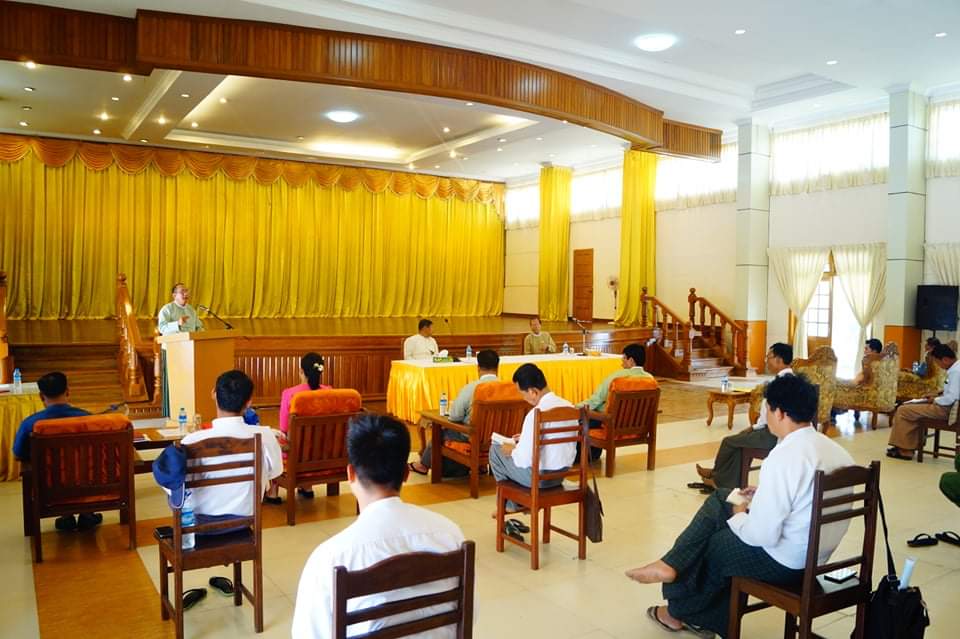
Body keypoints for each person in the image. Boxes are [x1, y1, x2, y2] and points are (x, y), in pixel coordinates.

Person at [625, 374, 855, 637]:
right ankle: (671, 566)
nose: (765, 415)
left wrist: (739, 514)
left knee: (717, 544)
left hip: (787, 562)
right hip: (818, 557)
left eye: (767, 408)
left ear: (780, 412)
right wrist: (762, 495)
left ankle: (677, 612)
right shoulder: (837, 452)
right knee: (723, 497)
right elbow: (803, 499)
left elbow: (762, 536)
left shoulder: (783, 458)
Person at [292, 413, 465, 639]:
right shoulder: (450, 535)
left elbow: (308, 634)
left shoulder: (331, 558)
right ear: (406, 474)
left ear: (350, 474)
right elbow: (470, 613)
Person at [175, 370, 283, 520]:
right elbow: (276, 471)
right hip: (246, 517)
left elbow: (175, 485)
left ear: (214, 394)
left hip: (200, 521)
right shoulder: (264, 435)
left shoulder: (191, 441)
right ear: (249, 402)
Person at [694, 343, 794, 490]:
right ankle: (721, 479)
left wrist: (754, 428)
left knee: (728, 442)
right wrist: (753, 427)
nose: (766, 361)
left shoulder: (779, 383)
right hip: (776, 431)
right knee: (739, 443)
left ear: (779, 360)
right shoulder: (793, 380)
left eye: (768, 357)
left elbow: (770, 416)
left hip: (772, 435)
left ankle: (717, 478)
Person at [12, 372, 98, 531]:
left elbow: (18, 454)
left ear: (41, 396)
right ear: (68, 391)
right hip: (87, 484)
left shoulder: (30, 424)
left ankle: (66, 517)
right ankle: (87, 513)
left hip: (48, 488)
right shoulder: (88, 419)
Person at [489, 363, 578, 516]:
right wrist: (524, 438)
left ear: (533, 392)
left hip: (539, 479)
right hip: (560, 475)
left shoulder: (536, 414)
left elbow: (523, 461)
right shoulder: (569, 407)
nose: (523, 398)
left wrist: (513, 450)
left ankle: (511, 504)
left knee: (496, 450)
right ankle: (517, 503)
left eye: (522, 394)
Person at [409, 349, 500, 477]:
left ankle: (423, 465)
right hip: (499, 439)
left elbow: (455, 416)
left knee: (441, 430)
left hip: (473, 437)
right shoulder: (510, 388)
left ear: (478, 367)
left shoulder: (471, 388)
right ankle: (481, 466)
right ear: (498, 367)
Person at [266, 352, 333, 502]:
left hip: (296, 456)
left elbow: (284, 428)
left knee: (272, 440)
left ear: (301, 371)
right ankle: (307, 486)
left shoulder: (290, 394)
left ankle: (273, 492)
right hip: (324, 454)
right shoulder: (329, 392)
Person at [887, 343, 960, 460]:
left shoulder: (956, 372)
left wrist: (935, 399)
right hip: (947, 406)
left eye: (937, 362)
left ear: (945, 360)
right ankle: (907, 446)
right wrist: (938, 394)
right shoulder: (956, 368)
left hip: (946, 409)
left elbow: (951, 398)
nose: (938, 366)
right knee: (910, 406)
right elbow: (953, 391)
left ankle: (905, 451)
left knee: (903, 410)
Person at [579, 343, 655, 413]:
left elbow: (597, 399)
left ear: (631, 360)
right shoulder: (651, 379)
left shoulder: (617, 377)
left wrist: (576, 407)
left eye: (624, 358)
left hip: (612, 419)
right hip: (640, 419)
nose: (622, 361)